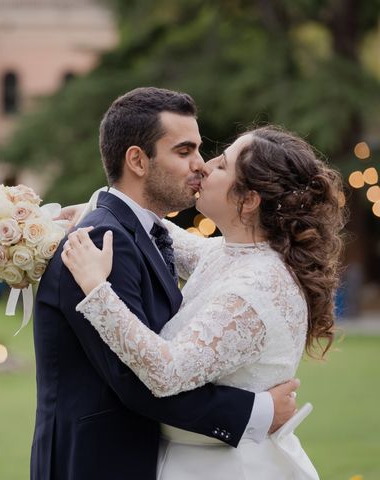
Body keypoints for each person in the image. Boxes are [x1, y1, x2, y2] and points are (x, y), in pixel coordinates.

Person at [31, 87, 299, 480]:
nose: (201, 166)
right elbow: (136, 379)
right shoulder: (105, 243)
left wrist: (95, 204)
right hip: (99, 462)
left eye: (201, 151)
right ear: (137, 161)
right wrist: (256, 412)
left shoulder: (146, 232)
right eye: (184, 151)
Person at [61, 125, 345, 479]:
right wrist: (96, 211)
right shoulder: (234, 252)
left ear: (249, 200)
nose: (205, 166)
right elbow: (162, 235)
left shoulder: (255, 288)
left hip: (226, 467)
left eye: (223, 165)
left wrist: (96, 289)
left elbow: (166, 372)